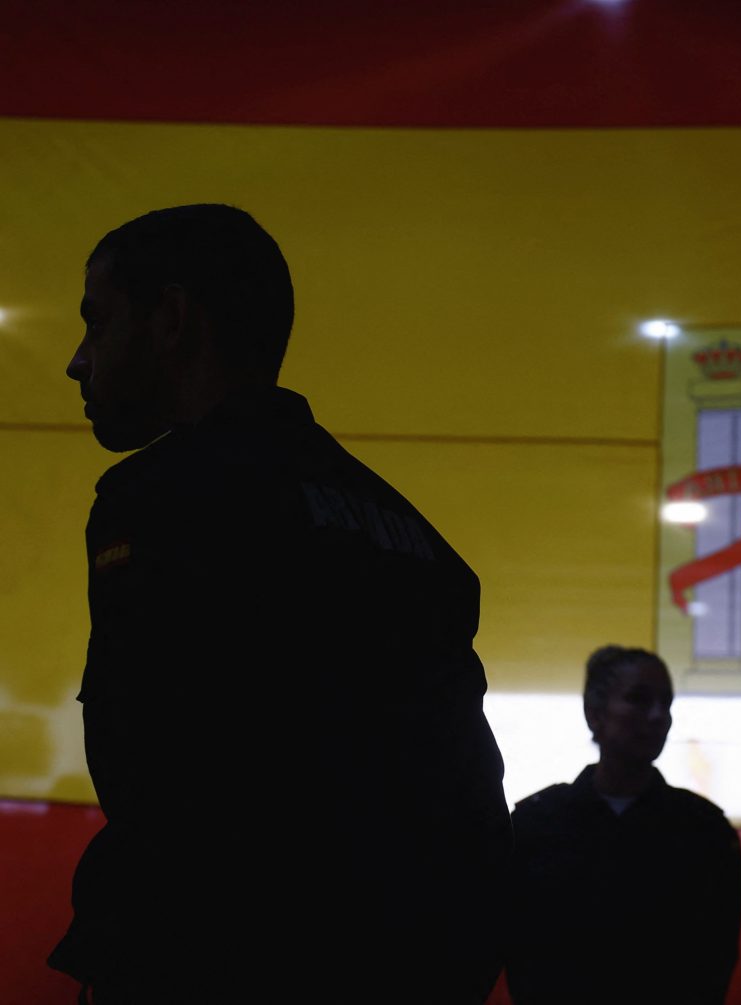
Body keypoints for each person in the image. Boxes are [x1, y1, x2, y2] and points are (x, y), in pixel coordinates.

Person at [49, 204, 511, 1003]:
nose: (78, 361)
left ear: (170, 319)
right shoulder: (412, 537)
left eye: (97, 321)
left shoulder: (159, 502)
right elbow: (467, 803)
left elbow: (152, 784)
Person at [506, 645, 741, 1005]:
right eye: (638, 699)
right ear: (594, 713)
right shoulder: (536, 825)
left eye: (666, 702)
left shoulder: (706, 832)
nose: (657, 715)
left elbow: (715, 958)